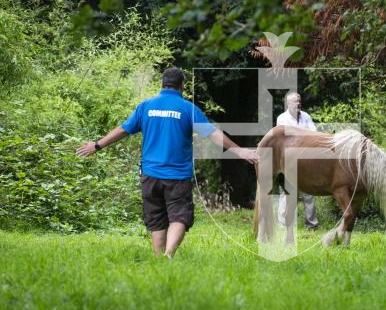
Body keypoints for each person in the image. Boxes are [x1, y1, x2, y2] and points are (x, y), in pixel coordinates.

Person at [77, 67, 259, 258]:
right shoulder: (188, 108)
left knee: (157, 220)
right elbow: (212, 134)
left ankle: (159, 260)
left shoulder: (146, 106)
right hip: (177, 176)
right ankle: (168, 255)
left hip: (150, 176)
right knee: (180, 216)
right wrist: (239, 150)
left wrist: (97, 145)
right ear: (182, 86)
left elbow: (124, 129)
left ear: (162, 84)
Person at [276, 91, 318, 229]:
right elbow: (288, 138)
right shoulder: (282, 119)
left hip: (307, 161)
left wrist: (303, 136)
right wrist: (305, 136)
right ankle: (283, 224)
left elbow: (315, 134)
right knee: (287, 192)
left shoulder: (306, 116)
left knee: (309, 193)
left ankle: (311, 225)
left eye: (299, 101)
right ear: (288, 103)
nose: (298, 103)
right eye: (295, 101)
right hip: (289, 161)